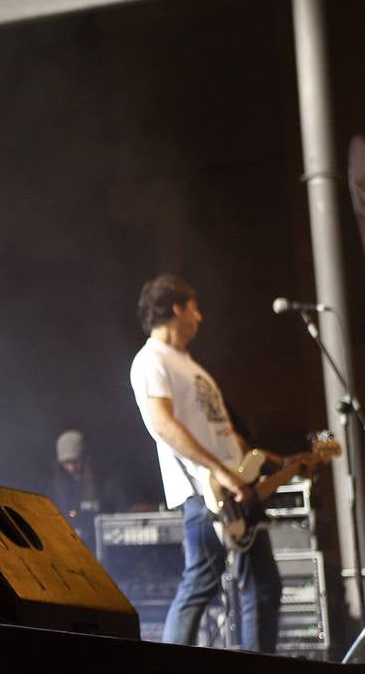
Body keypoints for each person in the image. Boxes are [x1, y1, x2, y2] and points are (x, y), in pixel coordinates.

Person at [129, 274, 282, 652]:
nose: (200, 317)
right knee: (202, 582)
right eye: (195, 308)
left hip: (236, 486)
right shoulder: (151, 360)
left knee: (262, 585)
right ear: (176, 308)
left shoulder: (190, 365)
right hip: (206, 492)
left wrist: (260, 461)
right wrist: (220, 471)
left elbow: (220, 430)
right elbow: (162, 424)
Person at [50, 429, 119, 555]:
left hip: (101, 548)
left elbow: (113, 514)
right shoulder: (58, 485)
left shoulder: (104, 482)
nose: (71, 468)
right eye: (66, 463)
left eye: (75, 462)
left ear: (85, 459)